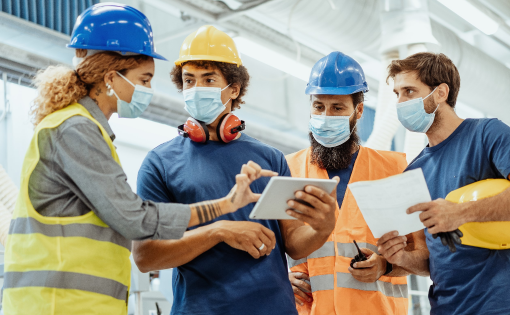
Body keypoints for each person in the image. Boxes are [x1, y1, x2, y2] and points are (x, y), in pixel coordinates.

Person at [1, 5, 271, 315]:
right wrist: (223, 209)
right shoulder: (75, 129)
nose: (148, 90)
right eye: (144, 79)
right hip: (57, 304)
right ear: (112, 77)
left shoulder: (89, 131)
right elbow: (135, 219)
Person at [131, 25, 339, 315]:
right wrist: (218, 231)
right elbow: (145, 257)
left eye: (208, 79)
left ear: (234, 88)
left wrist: (324, 227)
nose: (196, 89)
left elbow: (293, 244)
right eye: (189, 80)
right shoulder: (160, 163)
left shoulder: (271, 159)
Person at [377, 52, 510, 315]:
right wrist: (400, 258)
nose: (401, 102)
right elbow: (430, 258)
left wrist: (460, 213)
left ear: (441, 93)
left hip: (505, 306)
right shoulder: (413, 171)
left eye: (409, 91)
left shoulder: (487, 134)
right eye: (397, 94)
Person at [287, 51, 429, 315]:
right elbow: (264, 245)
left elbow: (424, 257)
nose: (326, 116)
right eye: (319, 107)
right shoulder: (288, 169)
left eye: (338, 108)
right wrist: (279, 277)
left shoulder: (396, 170)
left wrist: (385, 265)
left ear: (359, 110)